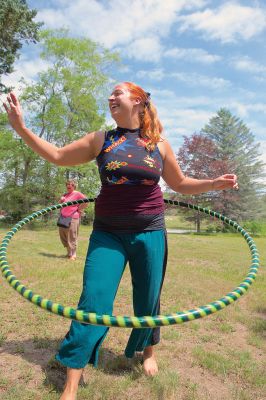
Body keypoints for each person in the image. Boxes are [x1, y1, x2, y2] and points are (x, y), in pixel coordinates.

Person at [3, 82, 238, 400]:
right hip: (107, 234)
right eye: (110, 95)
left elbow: (180, 184)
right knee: (93, 302)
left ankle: (148, 350)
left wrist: (213, 183)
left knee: (148, 300)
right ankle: (71, 381)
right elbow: (58, 156)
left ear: (139, 102)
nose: (111, 97)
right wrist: (21, 128)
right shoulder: (102, 139)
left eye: (118, 93)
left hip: (150, 231)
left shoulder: (159, 144)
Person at [58, 180, 87, 260]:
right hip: (63, 217)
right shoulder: (65, 194)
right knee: (63, 235)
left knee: (72, 236)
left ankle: (73, 254)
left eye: (70, 185)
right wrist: (60, 201)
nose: (68, 186)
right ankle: (68, 253)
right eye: (67, 185)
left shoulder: (77, 193)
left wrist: (79, 208)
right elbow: (59, 205)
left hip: (73, 217)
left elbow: (86, 201)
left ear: (74, 186)